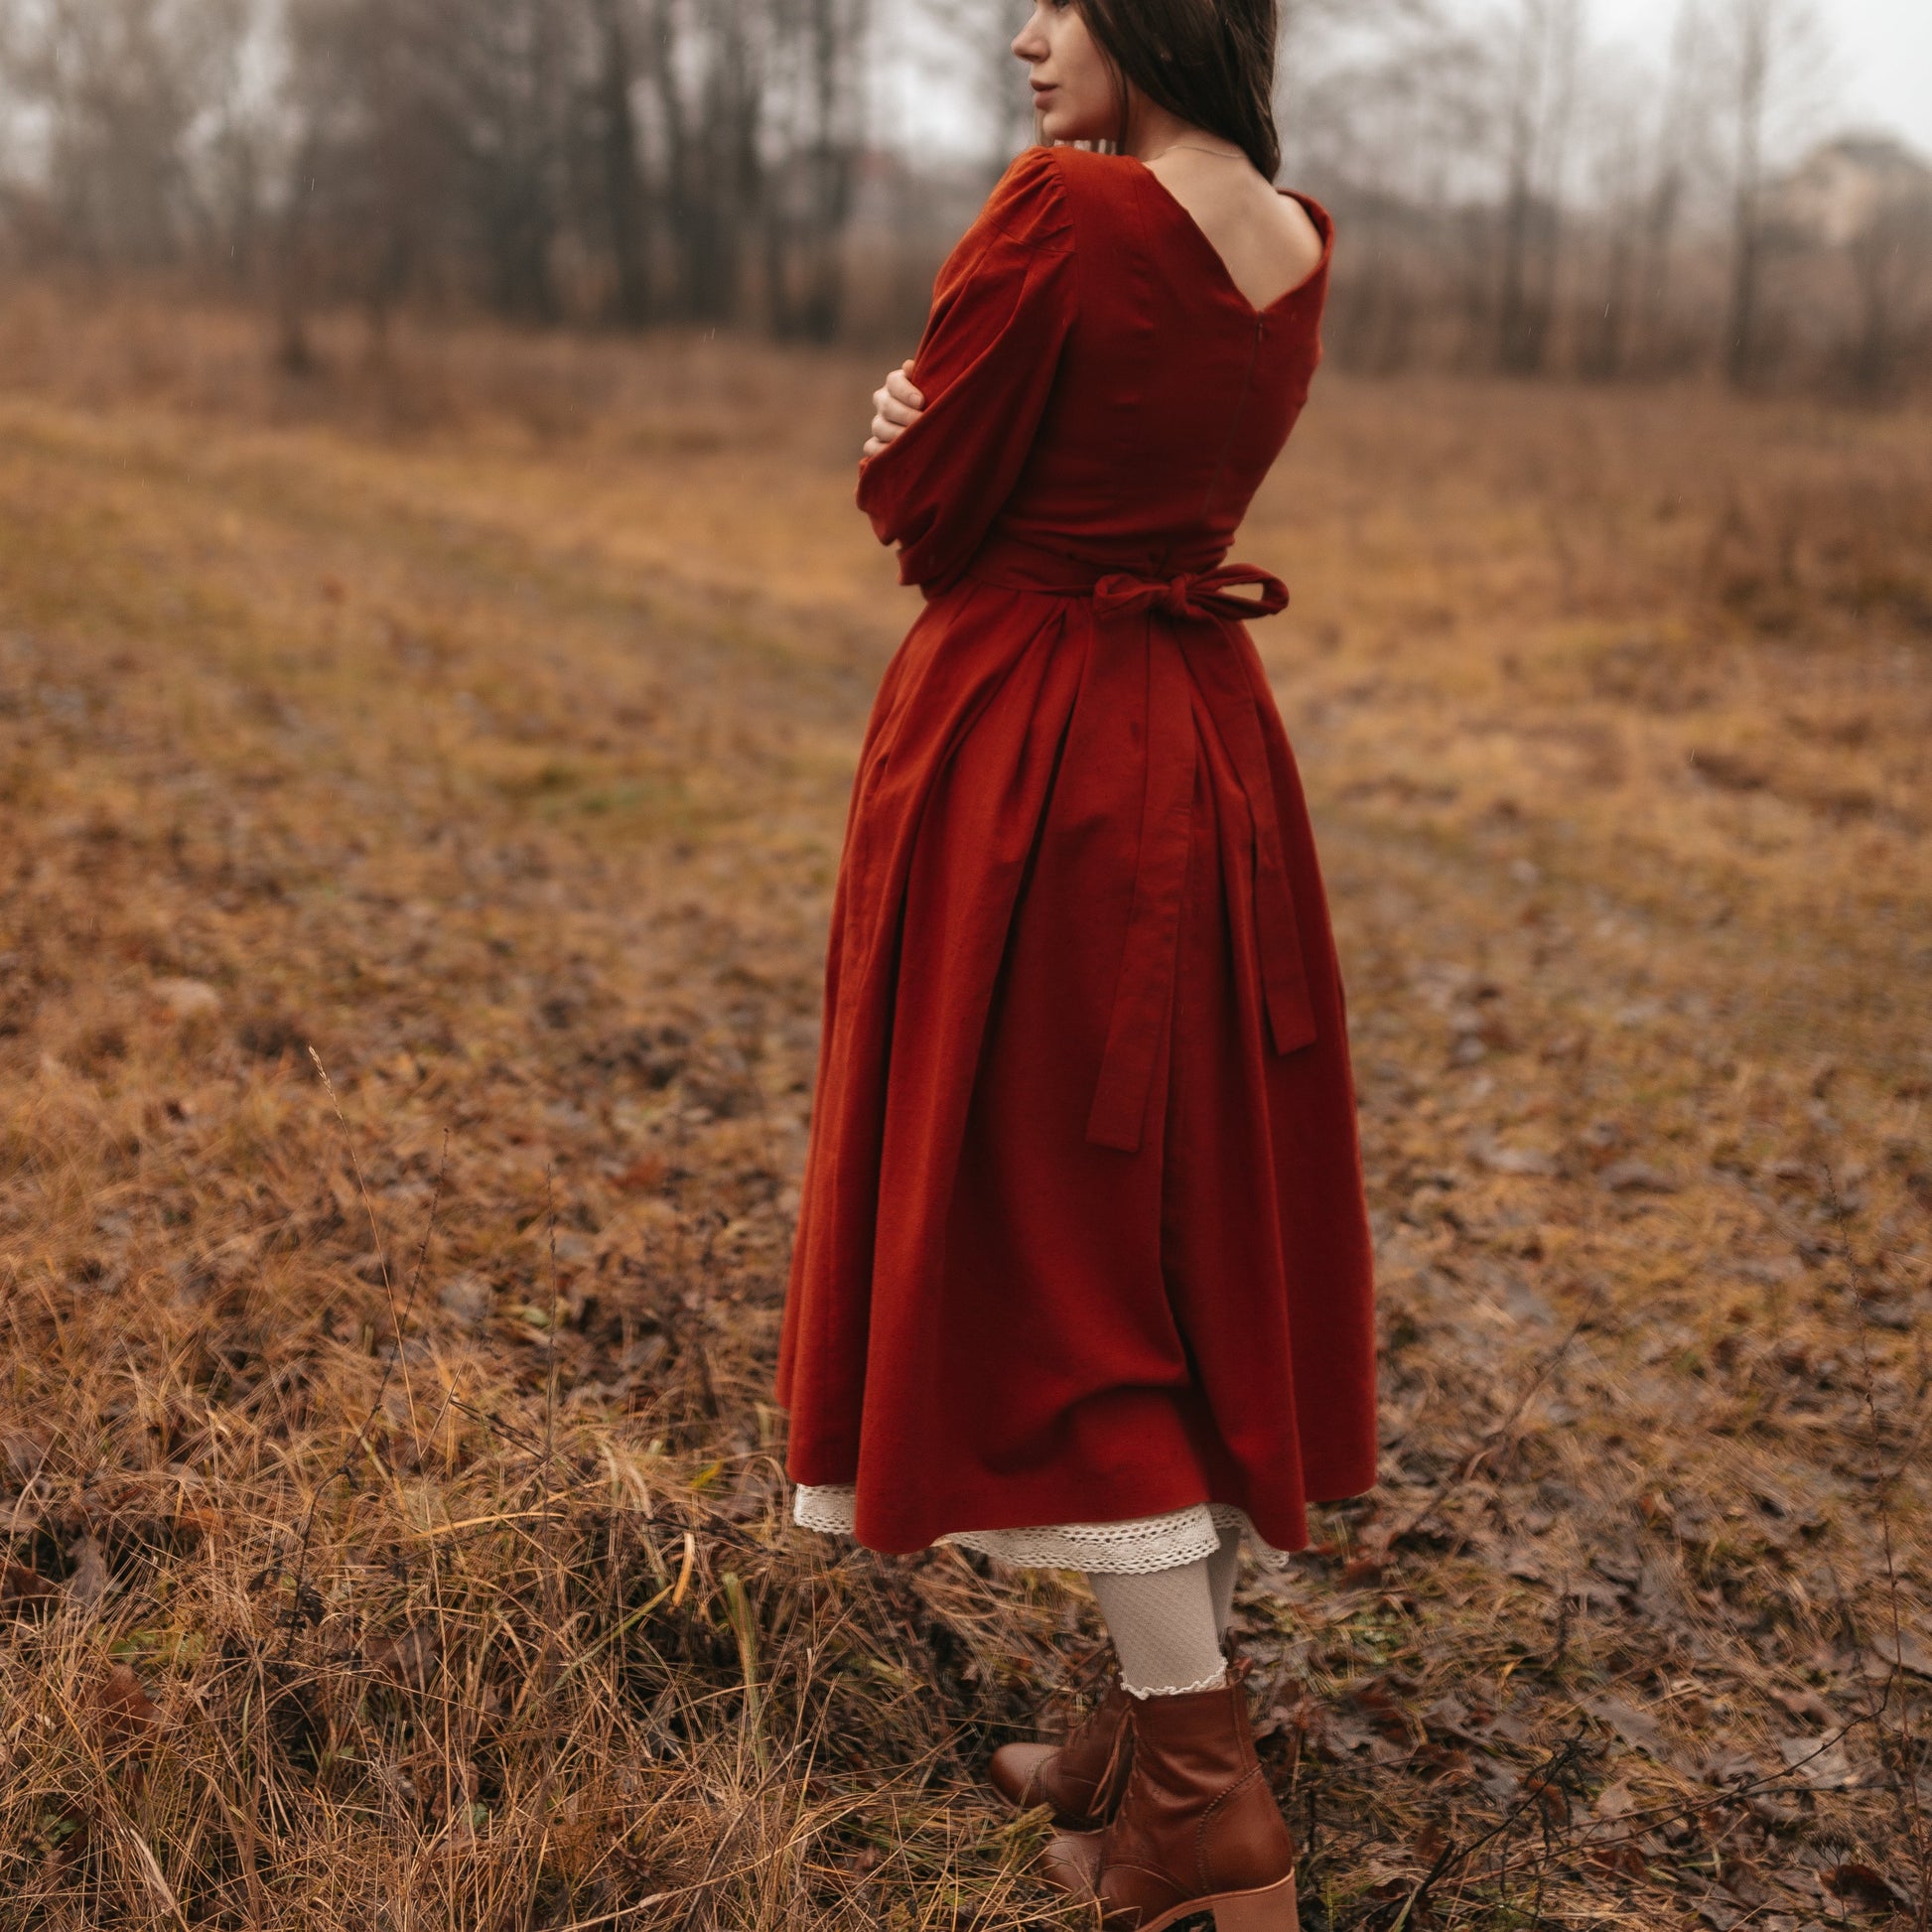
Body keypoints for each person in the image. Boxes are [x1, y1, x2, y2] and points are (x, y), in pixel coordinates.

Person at [777, 0, 1377, 1923]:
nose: (1023, 37)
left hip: (1037, 764)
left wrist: (895, 430)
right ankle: (1137, 1731)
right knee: (1166, 1240)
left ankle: (1202, 1806)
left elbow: (926, 507)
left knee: (1067, 1260)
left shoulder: (1066, 215)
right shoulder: (1288, 240)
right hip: (1198, 755)